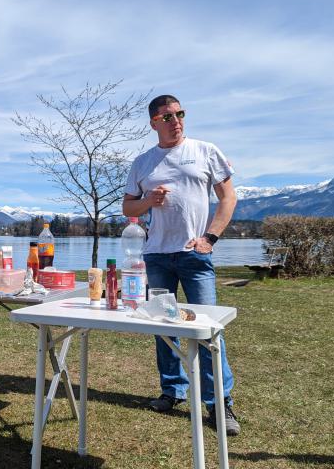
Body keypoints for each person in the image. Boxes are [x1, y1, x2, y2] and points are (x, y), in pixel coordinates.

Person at [122, 95, 240, 436]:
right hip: (156, 255)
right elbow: (128, 209)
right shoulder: (143, 162)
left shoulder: (205, 151)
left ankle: (219, 403)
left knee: (208, 329)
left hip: (194, 255)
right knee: (163, 326)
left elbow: (228, 197)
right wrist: (148, 201)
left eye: (180, 114)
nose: (176, 120)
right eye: (167, 116)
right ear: (153, 123)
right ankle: (173, 390)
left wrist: (210, 238)